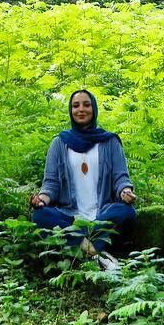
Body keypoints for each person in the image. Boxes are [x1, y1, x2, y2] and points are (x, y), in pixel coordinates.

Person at [29, 89, 136, 272]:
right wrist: (42, 199)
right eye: (75, 105)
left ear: (93, 108)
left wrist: (125, 191)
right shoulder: (59, 143)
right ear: (70, 111)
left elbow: (121, 177)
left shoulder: (109, 141)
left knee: (127, 212)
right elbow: (51, 183)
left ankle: (85, 248)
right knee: (40, 215)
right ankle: (97, 253)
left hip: (101, 213)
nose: (81, 109)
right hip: (71, 216)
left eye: (86, 104)